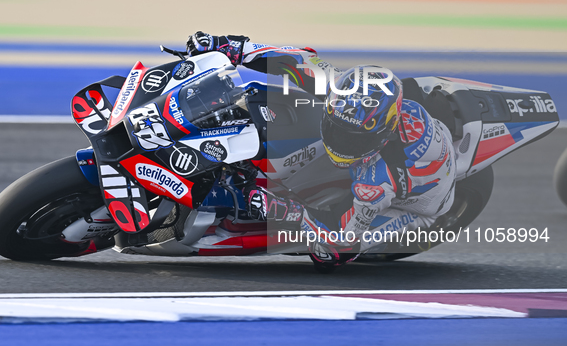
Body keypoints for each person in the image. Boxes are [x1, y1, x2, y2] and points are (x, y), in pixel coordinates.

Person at [186, 32, 457, 267]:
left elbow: (337, 249)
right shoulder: (341, 88)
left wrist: (287, 211)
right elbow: (293, 58)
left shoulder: (374, 184)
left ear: (382, 136)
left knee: (336, 248)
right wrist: (227, 46)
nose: (340, 143)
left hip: (420, 206)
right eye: (336, 128)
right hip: (414, 136)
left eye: (352, 139)